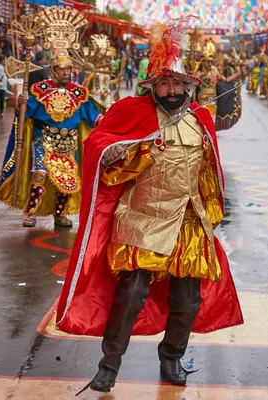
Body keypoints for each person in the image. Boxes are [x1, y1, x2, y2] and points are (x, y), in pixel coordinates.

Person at [61, 16, 243, 395]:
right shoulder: (132, 112)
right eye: (165, 82)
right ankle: (108, 366)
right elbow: (101, 155)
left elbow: (210, 171)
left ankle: (172, 357)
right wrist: (140, 149)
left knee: (187, 299)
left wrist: (213, 212)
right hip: (141, 217)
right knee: (131, 295)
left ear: (189, 86)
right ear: (153, 86)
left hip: (188, 221)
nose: (172, 89)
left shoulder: (201, 119)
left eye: (178, 83)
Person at [0, 8, 103, 228]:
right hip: (42, 140)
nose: (66, 73)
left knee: (68, 183)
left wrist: (109, 120)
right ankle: (31, 213)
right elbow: (26, 114)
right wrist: (21, 105)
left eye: (68, 69)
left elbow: (94, 116)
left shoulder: (79, 93)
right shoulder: (39, 90)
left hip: (68, 143)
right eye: (61, 70)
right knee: (39, 175)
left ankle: (60, 214)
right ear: (53, 71)